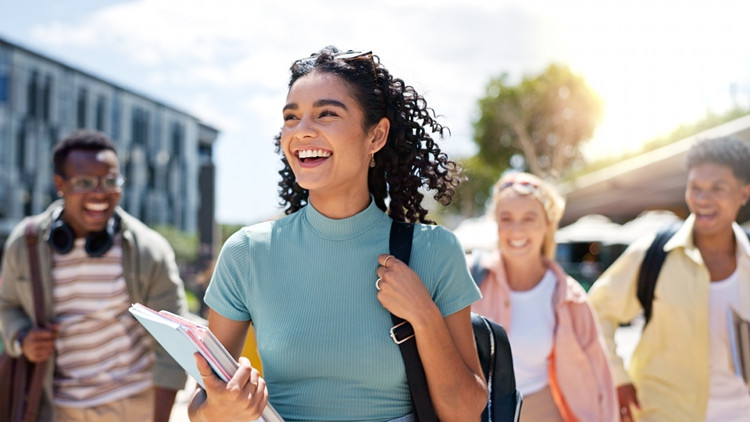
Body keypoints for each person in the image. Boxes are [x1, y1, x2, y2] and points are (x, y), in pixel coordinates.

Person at [187, 46, 488, 422]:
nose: (302, 131)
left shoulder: (434, 250)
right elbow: (200, 408)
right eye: (291, 117)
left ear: (376, 136)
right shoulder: (247, 252)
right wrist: (220, 409)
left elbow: (465, 412)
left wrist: (423, 316)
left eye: (326, 113)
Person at [0, 129, 189, 422]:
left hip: (132, 406)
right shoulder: (25, 244)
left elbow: (173, 345)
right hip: (54, 408)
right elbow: (7, 304)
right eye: (85, 182)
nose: (100, 193)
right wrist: (22, 337)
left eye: (110, 181)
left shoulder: (150, 250)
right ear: (59, 184)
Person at [588, 137, 750, 422]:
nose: (702, 200)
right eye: (695, 188)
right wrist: (617, 376)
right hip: (662, 413)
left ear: (744, 193)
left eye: (717, 189)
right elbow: (594, 311)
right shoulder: (652, 253)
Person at [470, 172, 618, 422]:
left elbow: (599, 376)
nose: (516, 230)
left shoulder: (569, 297)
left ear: (547, 224)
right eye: (507, 218)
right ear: (496, 223)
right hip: (477, 413)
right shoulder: (470, 280)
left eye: (529, 218)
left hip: (544, 412)